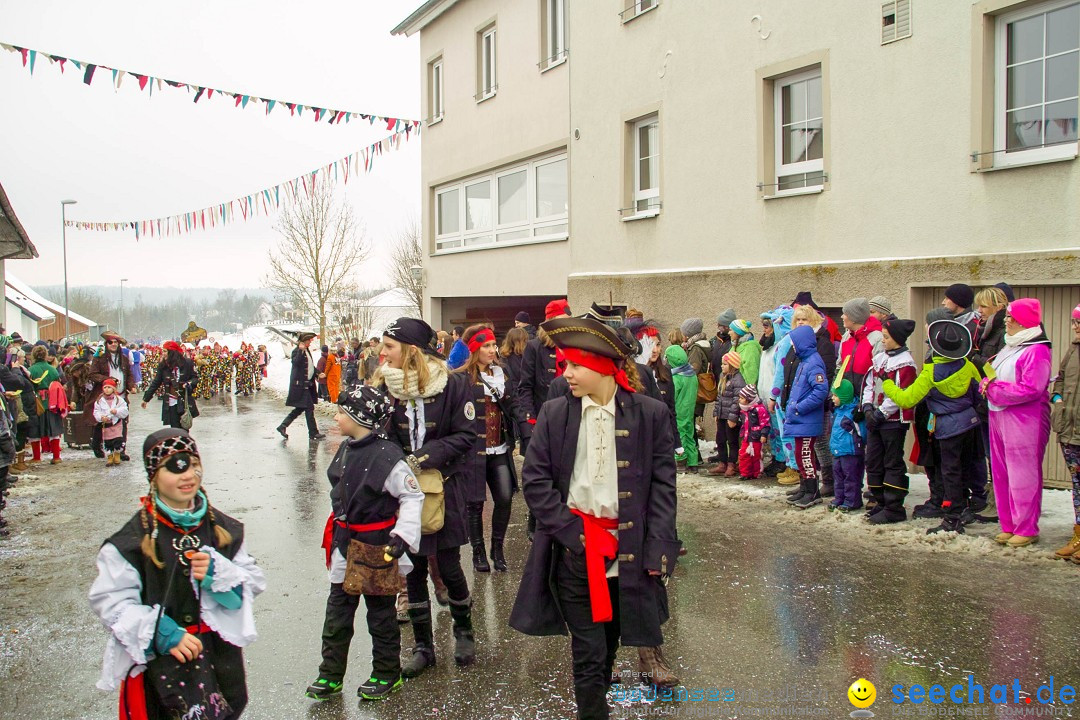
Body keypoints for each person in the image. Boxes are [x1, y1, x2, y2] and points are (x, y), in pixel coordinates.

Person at [509, 315, 681, 720]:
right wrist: (573, 533)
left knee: (610, 641)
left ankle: (600, 693)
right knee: (587, 651)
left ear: (603, 367)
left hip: (630, 554)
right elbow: (535, 483)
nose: (565, 373)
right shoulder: (555, 413)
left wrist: (659, 547)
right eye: (565, 364)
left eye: (574, 365)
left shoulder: (650, 414)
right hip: (575, 553)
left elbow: (663, 489)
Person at [88, 428, 265, 719]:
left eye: (194, 466)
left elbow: (247, 589)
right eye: (175, 467)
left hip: (219, 663)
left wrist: (221, 578)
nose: (188, 476)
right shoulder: (130, 543)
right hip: (163, 673)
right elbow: (111, 603)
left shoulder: (225, 530)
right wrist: (162, 632)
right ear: (154, 475)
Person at [305, 384, 424, 702]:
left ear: (360, 417)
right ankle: (330, 674)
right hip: (345, 541)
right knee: (337, 612)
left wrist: (402, 536)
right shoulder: (346, 448)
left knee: (380, 613)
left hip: (376, 545)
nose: (338, 417)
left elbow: (412, 496)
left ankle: (387, 673)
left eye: (342, 412)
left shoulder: (388, 458)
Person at [374, 317, 477, 676]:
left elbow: (466, 435)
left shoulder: (452, 385)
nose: (382, 352)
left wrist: (421, 457)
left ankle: (464, 631)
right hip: (403, 492)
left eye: (389, 346)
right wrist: (393, 459)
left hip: (443, 487)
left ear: (411, 350)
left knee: (448, 565)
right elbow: (376, 436)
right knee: (413, 569)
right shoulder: (384, 385)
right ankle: (423, 647)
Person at [883, 320, 984, 534]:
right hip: (970, 424)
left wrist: (887, 384)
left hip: (948, 428)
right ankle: (963, 509)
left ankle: (952, 519)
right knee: (964, 469)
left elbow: (907, 399)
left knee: (950, 472)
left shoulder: (930, 372)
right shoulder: (969, 366)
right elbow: (978, 395)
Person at [982, 298, 1053, 547]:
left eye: (1011, 318)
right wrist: (987, 384)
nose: (1007, 321)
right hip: (998, 414)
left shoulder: (1037, 349)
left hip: (1025, 419)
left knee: (1023, 473)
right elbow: (994, 375)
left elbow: (1031, 388)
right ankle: (1009, 524)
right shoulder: (1010, 346)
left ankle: (1026, 526)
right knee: (1001, 472)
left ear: (1024, 321)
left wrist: (994, 389)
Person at [457, 325, 526, 572]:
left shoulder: (502, 374)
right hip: (474, 452)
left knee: (505, 498)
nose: (491, 349)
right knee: (474, 503)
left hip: (499, 448)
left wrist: (527, 431)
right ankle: (478, 551)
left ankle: (497, 548)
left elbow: (515, 404)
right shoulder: (462, 378)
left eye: (492, 345)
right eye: (485, 346)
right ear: (475, 349)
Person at [861, 318, 918, 524]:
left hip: (893, 421)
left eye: (886, 337)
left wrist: (881, 413)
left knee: (891, 461)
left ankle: (894, 507)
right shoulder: (879, 359)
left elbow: (900, 393)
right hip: (876, 419)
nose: (882, 341)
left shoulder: (905, 364)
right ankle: (881, 502)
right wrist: (867, 407)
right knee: (874, 460)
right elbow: (869, 384)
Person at [782, 325, 830, 509]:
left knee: (806, 455)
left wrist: (799, 408)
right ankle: (804, 488)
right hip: (800, 419)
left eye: (794, 343)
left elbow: (820, 391)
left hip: (807, 418)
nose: (793, 347)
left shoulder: (814, 362)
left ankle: (812, 491)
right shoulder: (804, 361)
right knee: (800, 454)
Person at [1051, 303, 1080, 562]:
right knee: (1077, 485)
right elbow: (1059, 377)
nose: (1075, 327)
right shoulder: (1073, 349)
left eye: (1078, 323)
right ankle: (1078, 536)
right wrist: (1058, 399)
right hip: (1069, 428)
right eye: (1074, 322)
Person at [86, 331, 138, 461]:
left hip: (120, 396)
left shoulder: (124, 359)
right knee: (102, 422)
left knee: (122, 421)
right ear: (106, 344)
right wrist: (108, 380)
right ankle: (97, 445)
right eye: (110, 342)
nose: (113, 344)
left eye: (116, 342)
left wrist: (132, 386)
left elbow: (129, 375)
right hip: (105, 395)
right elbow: (92, 374)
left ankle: (121, 450)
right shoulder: (100, 359)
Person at [142, 341, 200, 430]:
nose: (163, 353)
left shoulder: (187, 363)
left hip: (184, 401)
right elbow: (156, 382)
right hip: (171, 402)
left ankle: (184, 443)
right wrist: (146, 398)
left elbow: (195, 378)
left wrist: (189, 383)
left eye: (165, 351)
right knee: (175, 429)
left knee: (184, 427)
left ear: (172, 352)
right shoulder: (163, 366)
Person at [276, 332, 324, 440]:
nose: (310, 342)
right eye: (309, 341)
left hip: (308, 385)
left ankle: (283, 426)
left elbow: (310, 366)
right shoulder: (297, 351)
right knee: (309, 408)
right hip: (301, 386)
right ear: (304, 341)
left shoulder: (306, 351)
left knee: (300, 409)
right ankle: (313, 433)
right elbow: (296, 362)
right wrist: (300, 350)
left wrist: (317, 373)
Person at [828, 380, 865, 512]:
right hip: (838, 450)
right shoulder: (837, 411)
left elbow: (862, 432)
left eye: (835, 395)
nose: (832, 398)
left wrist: (860, 444)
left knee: (851, 476)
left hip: (850, 450)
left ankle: (852, 500)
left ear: (843, 397)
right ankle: (840, 497)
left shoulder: (852, 413)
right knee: (838, 476)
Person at [665, 344, 701, 472]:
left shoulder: (676, 378)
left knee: (679, 435)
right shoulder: (691, 374)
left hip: (679, 410)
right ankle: (693, 461)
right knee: (689, 433)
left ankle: (681, 460)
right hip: (689, 409)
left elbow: (672, 396)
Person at [708, 352, 744, 477]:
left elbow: (737, 400)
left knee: (732, 440)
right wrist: (716, 412)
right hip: (722, 415)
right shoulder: (723, 377)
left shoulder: (738, 380)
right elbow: (719, 397)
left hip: (731, 417)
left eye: (725, 364)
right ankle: (722, 463)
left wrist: (733, 417)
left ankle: (732, 464)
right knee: (720, 439)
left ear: (733, 365)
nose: (722, 366)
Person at [28, 345, 65, 465]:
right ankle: (56, 456)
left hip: (37, 403)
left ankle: (37, 457)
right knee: (54, 429)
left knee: (35, 429)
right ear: (45, 355)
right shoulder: (53, 369)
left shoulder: (31, 370)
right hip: (52, 402)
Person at [736, 384, 770, 479]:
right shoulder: (744, 409)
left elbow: (765, 423)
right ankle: (745, 473)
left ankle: (757, 472)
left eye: (742, 398)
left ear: (748, 399)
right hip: (747, 437)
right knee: (744, 454)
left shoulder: (759, 409)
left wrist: (763, 434)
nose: (739, 400)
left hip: (756, 437)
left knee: (756, 456)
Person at [94, 378, 130, 466]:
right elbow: (96, 411)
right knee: (108, 441)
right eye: (105, 387)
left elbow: (125, 410)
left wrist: (116, 411)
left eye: (109, 387)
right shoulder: (99, 400)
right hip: (106, 425)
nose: (107, 389)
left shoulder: (119, 400)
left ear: (113, 389)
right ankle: (110, 456)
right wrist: (101, 417)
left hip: (116, 424)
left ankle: (117, 453)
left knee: (117, 440)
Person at [729, 319, 762, 388]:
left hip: (743, 389)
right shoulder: (735, 346)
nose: (729, 333)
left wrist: (749, 389)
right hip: (733, 385)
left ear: (738, 332)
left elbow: (751, 371)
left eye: (731, 330)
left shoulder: (750, 348)